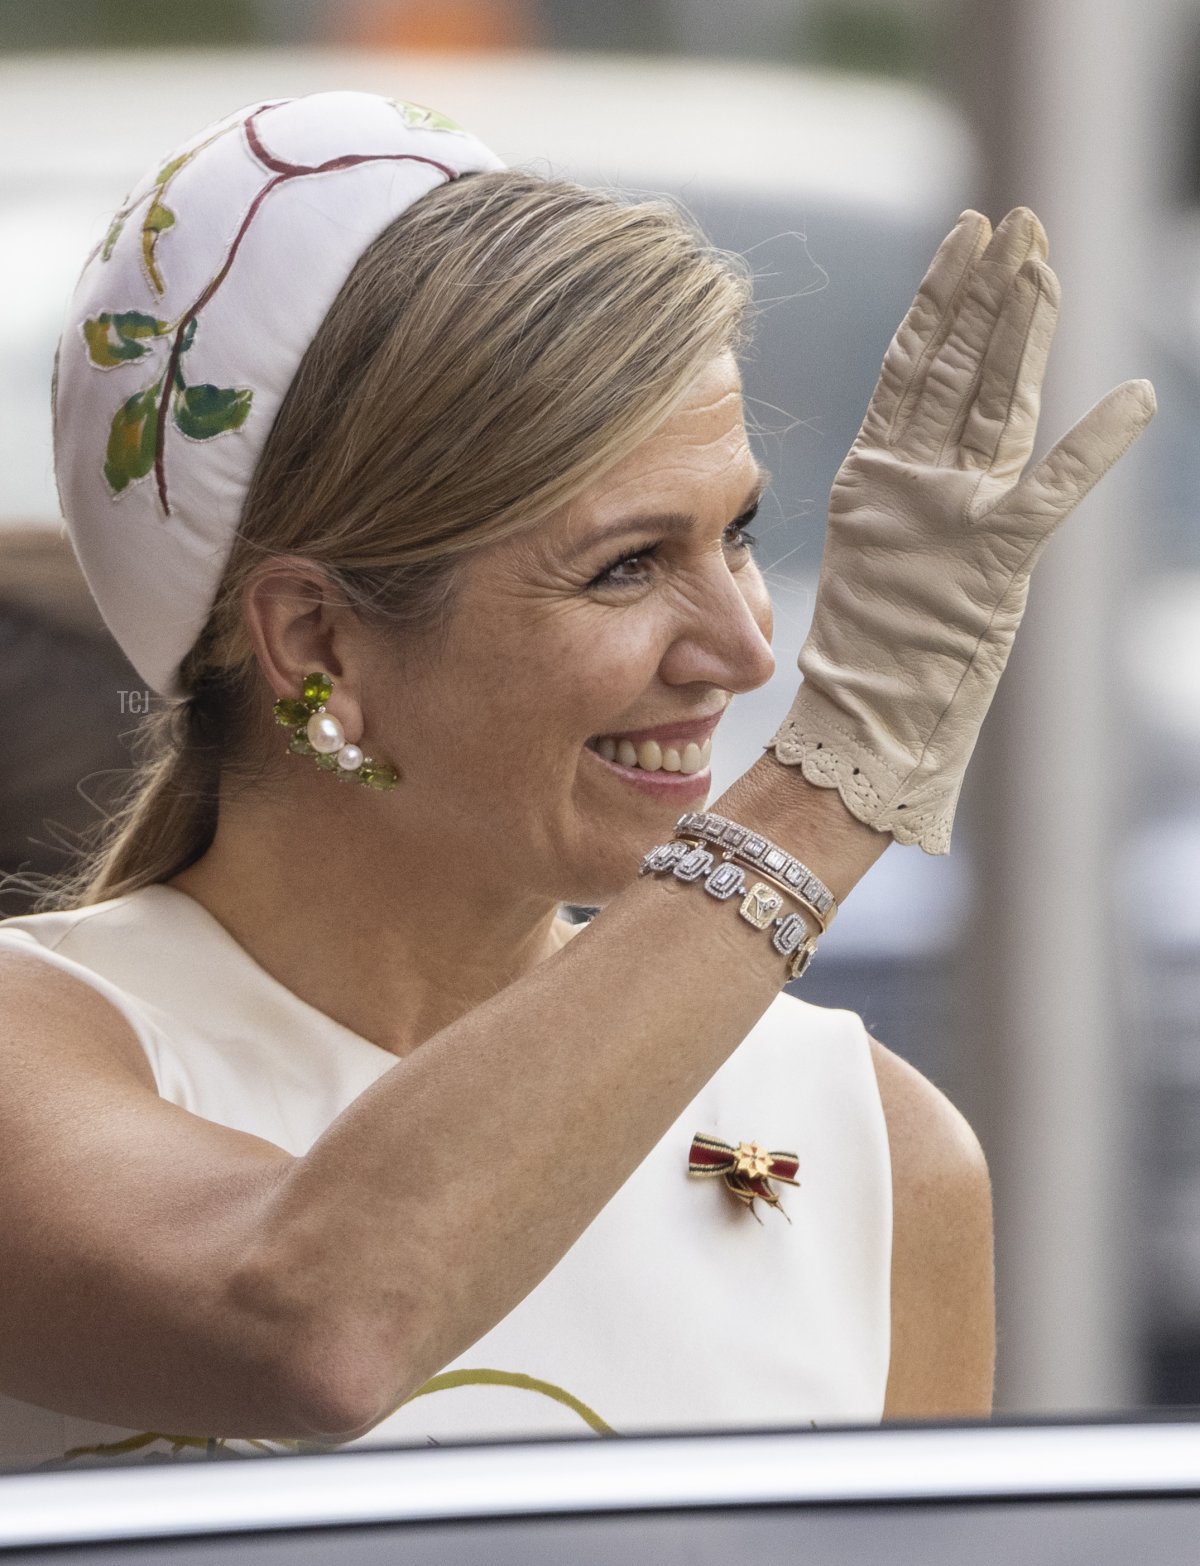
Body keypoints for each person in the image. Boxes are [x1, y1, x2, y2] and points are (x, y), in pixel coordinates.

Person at [0, 90, 1154, 1466]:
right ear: (317, 641)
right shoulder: (49, 1044)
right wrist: (825, 788)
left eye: (737, 534)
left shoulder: (876, 1147)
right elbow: (319, 1324)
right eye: (626, 563)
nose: (742, 646)